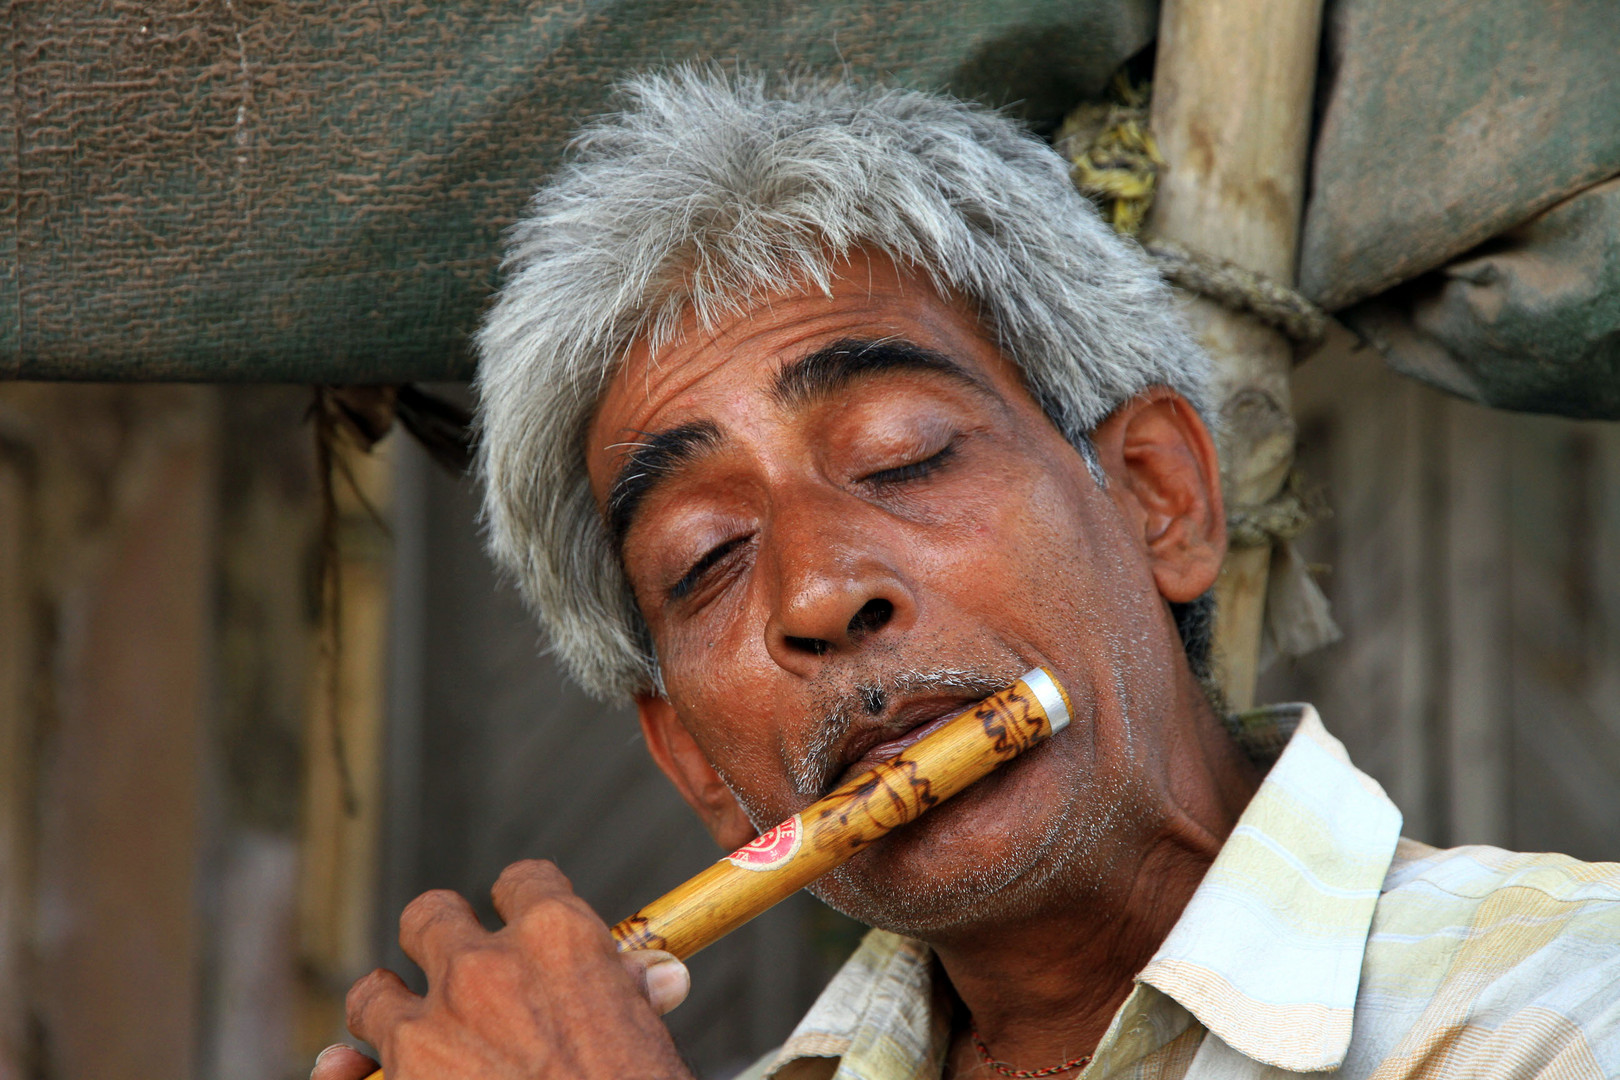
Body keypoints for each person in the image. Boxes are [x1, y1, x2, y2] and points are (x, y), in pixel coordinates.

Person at [312, 69, 1620, 1080]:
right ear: (701, 767)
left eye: (906, 457)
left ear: (1161, 498)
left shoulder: (1563, 1002)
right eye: (706, 558)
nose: (819, 594)